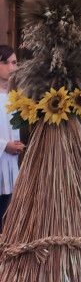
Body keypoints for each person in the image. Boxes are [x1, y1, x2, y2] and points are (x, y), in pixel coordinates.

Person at [0, 46, 25, 231]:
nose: (11, 67)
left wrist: (16, 145)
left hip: (10, 167)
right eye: (5, 62)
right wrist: (4, 145)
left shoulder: (14, 99)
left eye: (14, 63)